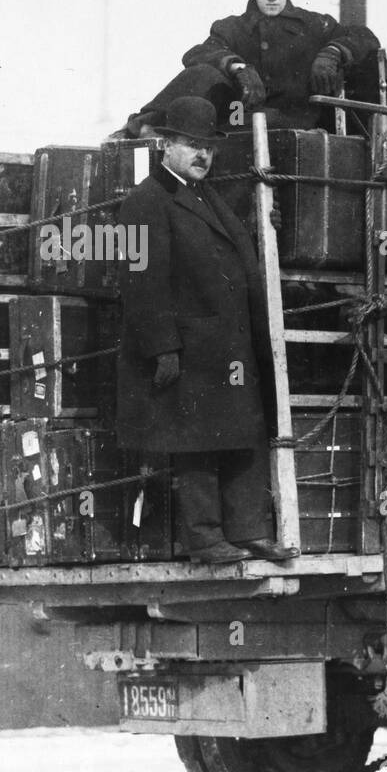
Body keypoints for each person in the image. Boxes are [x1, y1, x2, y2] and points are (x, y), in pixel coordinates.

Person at [115, 96, 296, 563]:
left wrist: (263, 229)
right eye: (192, 145)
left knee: (243, 437)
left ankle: (249, 530)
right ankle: (205, 539)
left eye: (208, 148)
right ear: (165, 147)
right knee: (196, 445)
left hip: (227, 345)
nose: (203, 156)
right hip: (190, 350)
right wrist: (163, 349)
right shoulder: (144, 202)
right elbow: (140, 282)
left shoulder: (208, 196)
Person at [114, 0, 380, 137]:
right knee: (203, 75)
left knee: (267, 124)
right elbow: (197, 54)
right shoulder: (232, 28)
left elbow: (365, 38)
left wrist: (332, 52)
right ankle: (140, 127)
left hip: (298, 120)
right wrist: (237, 66)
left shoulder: (314, 25)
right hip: (240, 114)